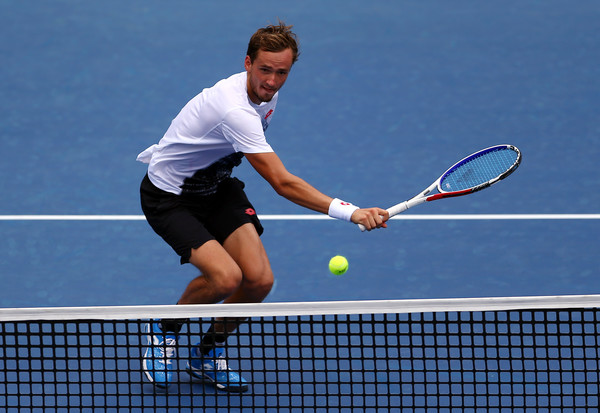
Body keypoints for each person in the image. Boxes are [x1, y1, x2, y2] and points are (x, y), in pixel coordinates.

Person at [137, 21, 389, 392]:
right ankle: (164, 329)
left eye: (281, 72)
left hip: (217, 187)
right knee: (225, 278)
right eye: (264, 70)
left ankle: (205, 353)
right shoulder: (233, 109)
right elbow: (282, 182)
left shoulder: (266, 95)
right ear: (247, 63)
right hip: (171, 196)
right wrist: (350, 211)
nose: (271, 81)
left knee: (258, 282)